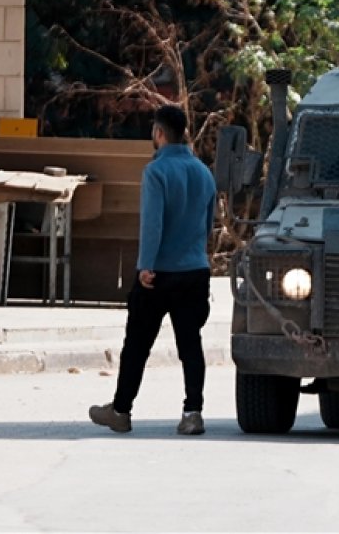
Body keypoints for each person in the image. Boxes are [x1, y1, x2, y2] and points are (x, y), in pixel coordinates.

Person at [89, 105, 217, 435]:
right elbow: (207, 225)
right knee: (191, 344)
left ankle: (121, 410)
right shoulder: (204, 173)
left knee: (137, 345)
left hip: (159, 273)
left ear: (159, 133)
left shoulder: (156, 172)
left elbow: (153, 224)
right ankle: (193, 413)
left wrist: (146, 265)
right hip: (195, 270)